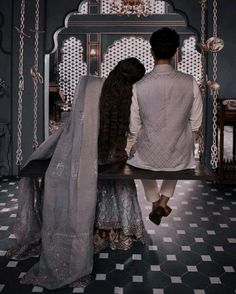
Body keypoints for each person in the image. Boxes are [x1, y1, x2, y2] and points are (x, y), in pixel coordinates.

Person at [6, 58, 145, 290]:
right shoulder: (127, 98)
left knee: (64, 179)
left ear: (114, 70)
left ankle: (93, 231)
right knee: (120, 177)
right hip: (108, 156)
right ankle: (114, 229)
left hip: (81, 152)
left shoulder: (90, 85)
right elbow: (131, 131)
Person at [126, 27, 203, 226]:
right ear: (175, 52)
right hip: (180, 153)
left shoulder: (139, 85)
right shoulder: (190, 81)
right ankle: (163, 201)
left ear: (152, 51)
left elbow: (133, 127)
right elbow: (196, 122)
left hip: (148, 153)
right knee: (179, 148)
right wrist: (186, 137)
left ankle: (155, 201)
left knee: (140, 156)